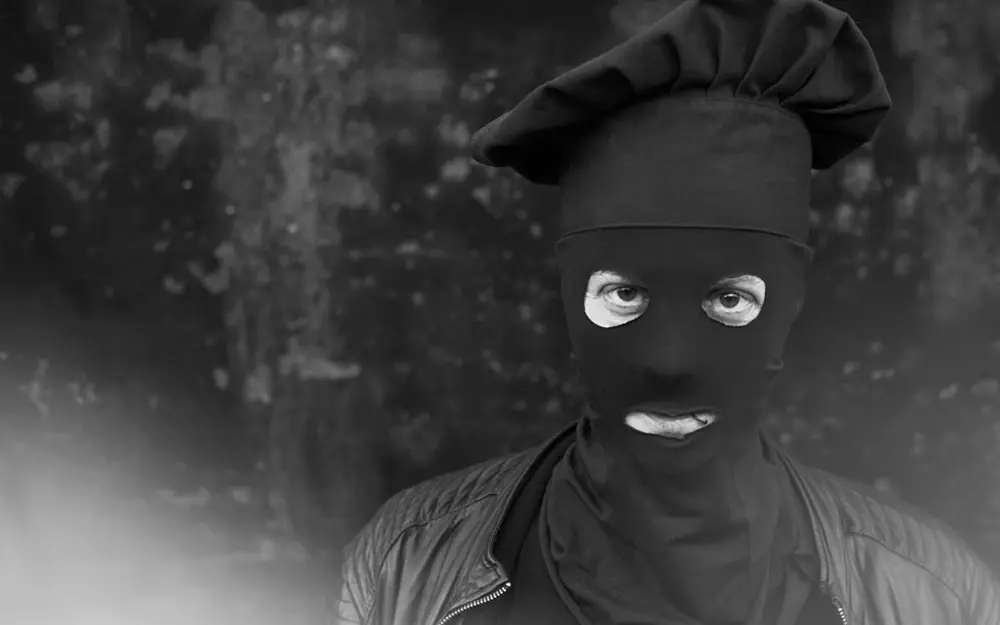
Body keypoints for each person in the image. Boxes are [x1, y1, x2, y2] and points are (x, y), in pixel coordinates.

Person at [333, 0, 1000, 623]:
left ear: (788, 304)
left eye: (729, 300)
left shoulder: (935, 593)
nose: (671, 362)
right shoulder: (403, 561)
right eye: (625, 295)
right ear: (571, 296)